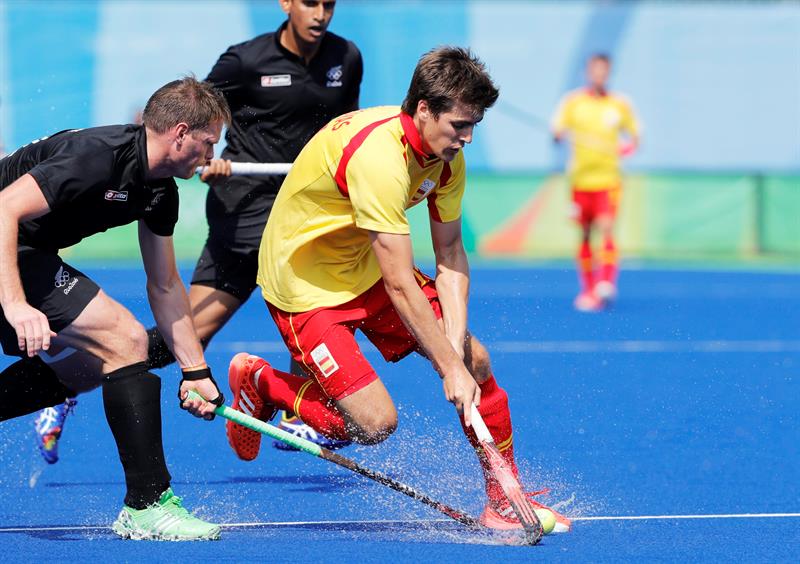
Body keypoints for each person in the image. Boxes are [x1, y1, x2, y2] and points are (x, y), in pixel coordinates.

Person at [225, 46, 571, 532]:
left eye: (474, 126)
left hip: (365, 266)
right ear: (424, 109)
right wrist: (448, 367)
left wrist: (455, 351)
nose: (468, 138)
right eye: (459, 125)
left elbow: (450, 254)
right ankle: (261, 380)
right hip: (306, 286)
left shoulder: (446, 158)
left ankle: (502, 500)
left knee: (476, 360)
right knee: (371, 426)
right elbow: (400, 284)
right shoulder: (379, 159)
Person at [34, 0, 362, 459]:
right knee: (187, 337)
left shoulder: (346, 58)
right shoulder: (245, 60)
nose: (321, 13)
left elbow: (344, 129)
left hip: (307, 213)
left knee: (312, 306)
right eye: (310, 2)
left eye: (329, 4)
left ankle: (294, 409)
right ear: (286, 3)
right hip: (246, 214)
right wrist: (214, 159)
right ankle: (67, 382)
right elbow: (194, 119)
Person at [0, 77, 229, 541]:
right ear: (180, 133)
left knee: (89, 367)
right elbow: (3, 207)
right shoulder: (97, 157)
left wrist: (195, 372)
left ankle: (147, 503)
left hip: (26, 250)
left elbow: (165, 285)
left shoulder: (160, 190)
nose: (212, 155)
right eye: (208, 142)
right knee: (124, 339)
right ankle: (147, 505)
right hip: (9, 238)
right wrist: (16, 304)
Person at [551, 53, 640, 312]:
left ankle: (606, 282)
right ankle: (589, 290)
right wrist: (558, 135)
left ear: (609, 73)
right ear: (588, 72)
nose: (599, 75)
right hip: (580, 181)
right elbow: (557, 130)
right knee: (586, 234)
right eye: (595, 70)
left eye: (604, 71)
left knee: (607, 227)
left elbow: (635, 137)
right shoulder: (572, 102)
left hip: (608, 179)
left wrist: (626, 148)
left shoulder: (620, 104)